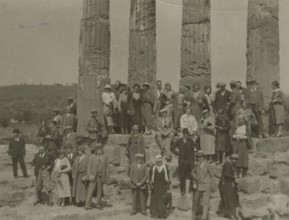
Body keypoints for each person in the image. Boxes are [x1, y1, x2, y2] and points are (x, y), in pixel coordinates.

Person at [170, 128, 196, 195]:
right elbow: (171, 148)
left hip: (190, 161)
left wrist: (193, 160)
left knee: (192, 175)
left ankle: (191, 189)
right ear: (182, 134)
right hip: (182, 161)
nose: (185, 135)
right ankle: (182, 190)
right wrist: (178, 154)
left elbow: (193, 151)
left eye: (187, 134)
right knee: (182, 176)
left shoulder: (191, 141)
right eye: (184, 134)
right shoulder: (179, 141)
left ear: (188, 134)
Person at [191, 151, 215, 220]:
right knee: (196, 201)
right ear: (197, 158)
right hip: (199, 185)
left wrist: (213, 186)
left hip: (207, 185)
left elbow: (212, 176)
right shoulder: (196, 165)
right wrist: (195, 179)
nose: (200, 158)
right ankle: (195, 216)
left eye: (201, 157)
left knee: (205, 202)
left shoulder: (208, 165)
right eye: (199, 157)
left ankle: (204, 217)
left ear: (204, 157)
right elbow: (192, 172)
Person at [85, 144, 109, 210]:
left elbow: (107, 167)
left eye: (100, 149)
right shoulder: (92, 157)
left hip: (101, 176)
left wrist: (107, 176)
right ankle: (87, 204)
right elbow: (89, 167)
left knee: (99, 190)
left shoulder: (105, 157)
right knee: (91, 190)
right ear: (95, 150)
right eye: (98, 150)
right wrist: (89, 175)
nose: (99, 151)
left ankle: (98, 204)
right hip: (93, 176)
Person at [218, 154, 239, 220]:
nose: (235, 160)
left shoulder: (232, 165)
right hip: (225, 184)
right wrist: (234, 177)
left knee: (232, 199)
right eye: (233, 159)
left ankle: (233, 214)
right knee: (228, 199)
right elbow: (227, 174)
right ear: (231, 158)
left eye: (236, 159)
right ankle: (231, 215)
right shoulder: (227, 164)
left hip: (229, 183)